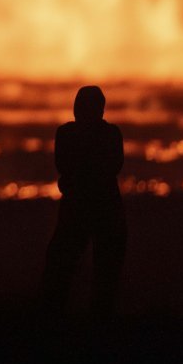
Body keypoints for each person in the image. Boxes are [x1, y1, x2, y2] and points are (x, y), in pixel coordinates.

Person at [40, 85, 126, 317]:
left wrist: (79, 179)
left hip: (84, 204)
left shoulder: (68, 134)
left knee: (66, 262)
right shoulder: (108, 134)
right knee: (92, 264)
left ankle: (58, 316)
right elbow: (113, 166)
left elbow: (66, 166)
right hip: (99, 204)